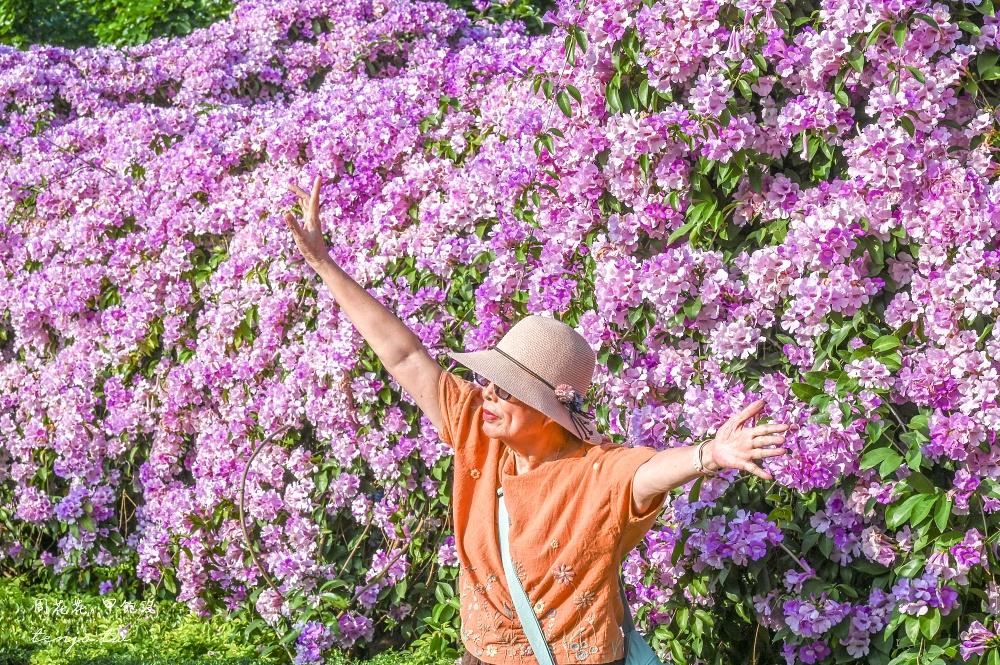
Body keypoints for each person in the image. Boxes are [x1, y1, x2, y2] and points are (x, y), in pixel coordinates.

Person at [282, 176, 790, 664]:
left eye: (505, 389)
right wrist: (325, 265)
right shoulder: (477, 431)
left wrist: (710, 455)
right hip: (482, 655)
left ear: (549, 412)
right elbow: (406, 358)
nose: (486, 394)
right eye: (488, 381)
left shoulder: (594, 471)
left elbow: (647, 473)